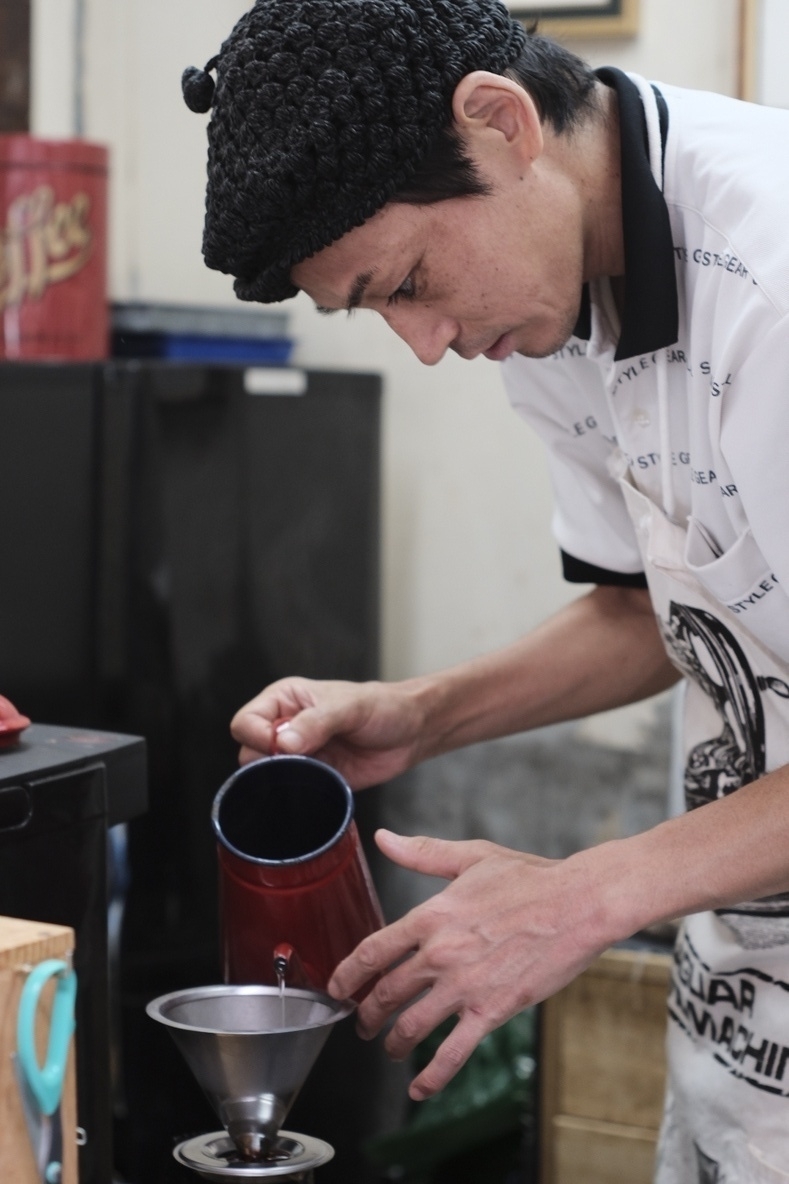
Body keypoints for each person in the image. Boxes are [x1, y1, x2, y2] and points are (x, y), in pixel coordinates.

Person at [182, 2, 789, 1177]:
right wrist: (424, 711)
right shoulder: (549, 296)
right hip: (745, 1027)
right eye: (379, 307)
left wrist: (582, 894)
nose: (428, 341)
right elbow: (651, 608)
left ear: (501, 122)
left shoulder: (773, 280)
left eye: (410, 279)